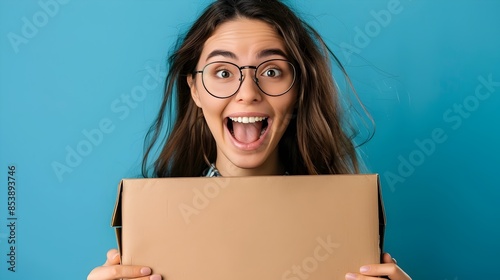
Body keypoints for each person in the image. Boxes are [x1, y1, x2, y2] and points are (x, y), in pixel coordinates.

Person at [88, 0, 412, 279]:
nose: (247, 94)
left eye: (271, 72)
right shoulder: (152, 222)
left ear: (298, 91)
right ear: (195, 89)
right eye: (223, 72)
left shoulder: (346, 225)